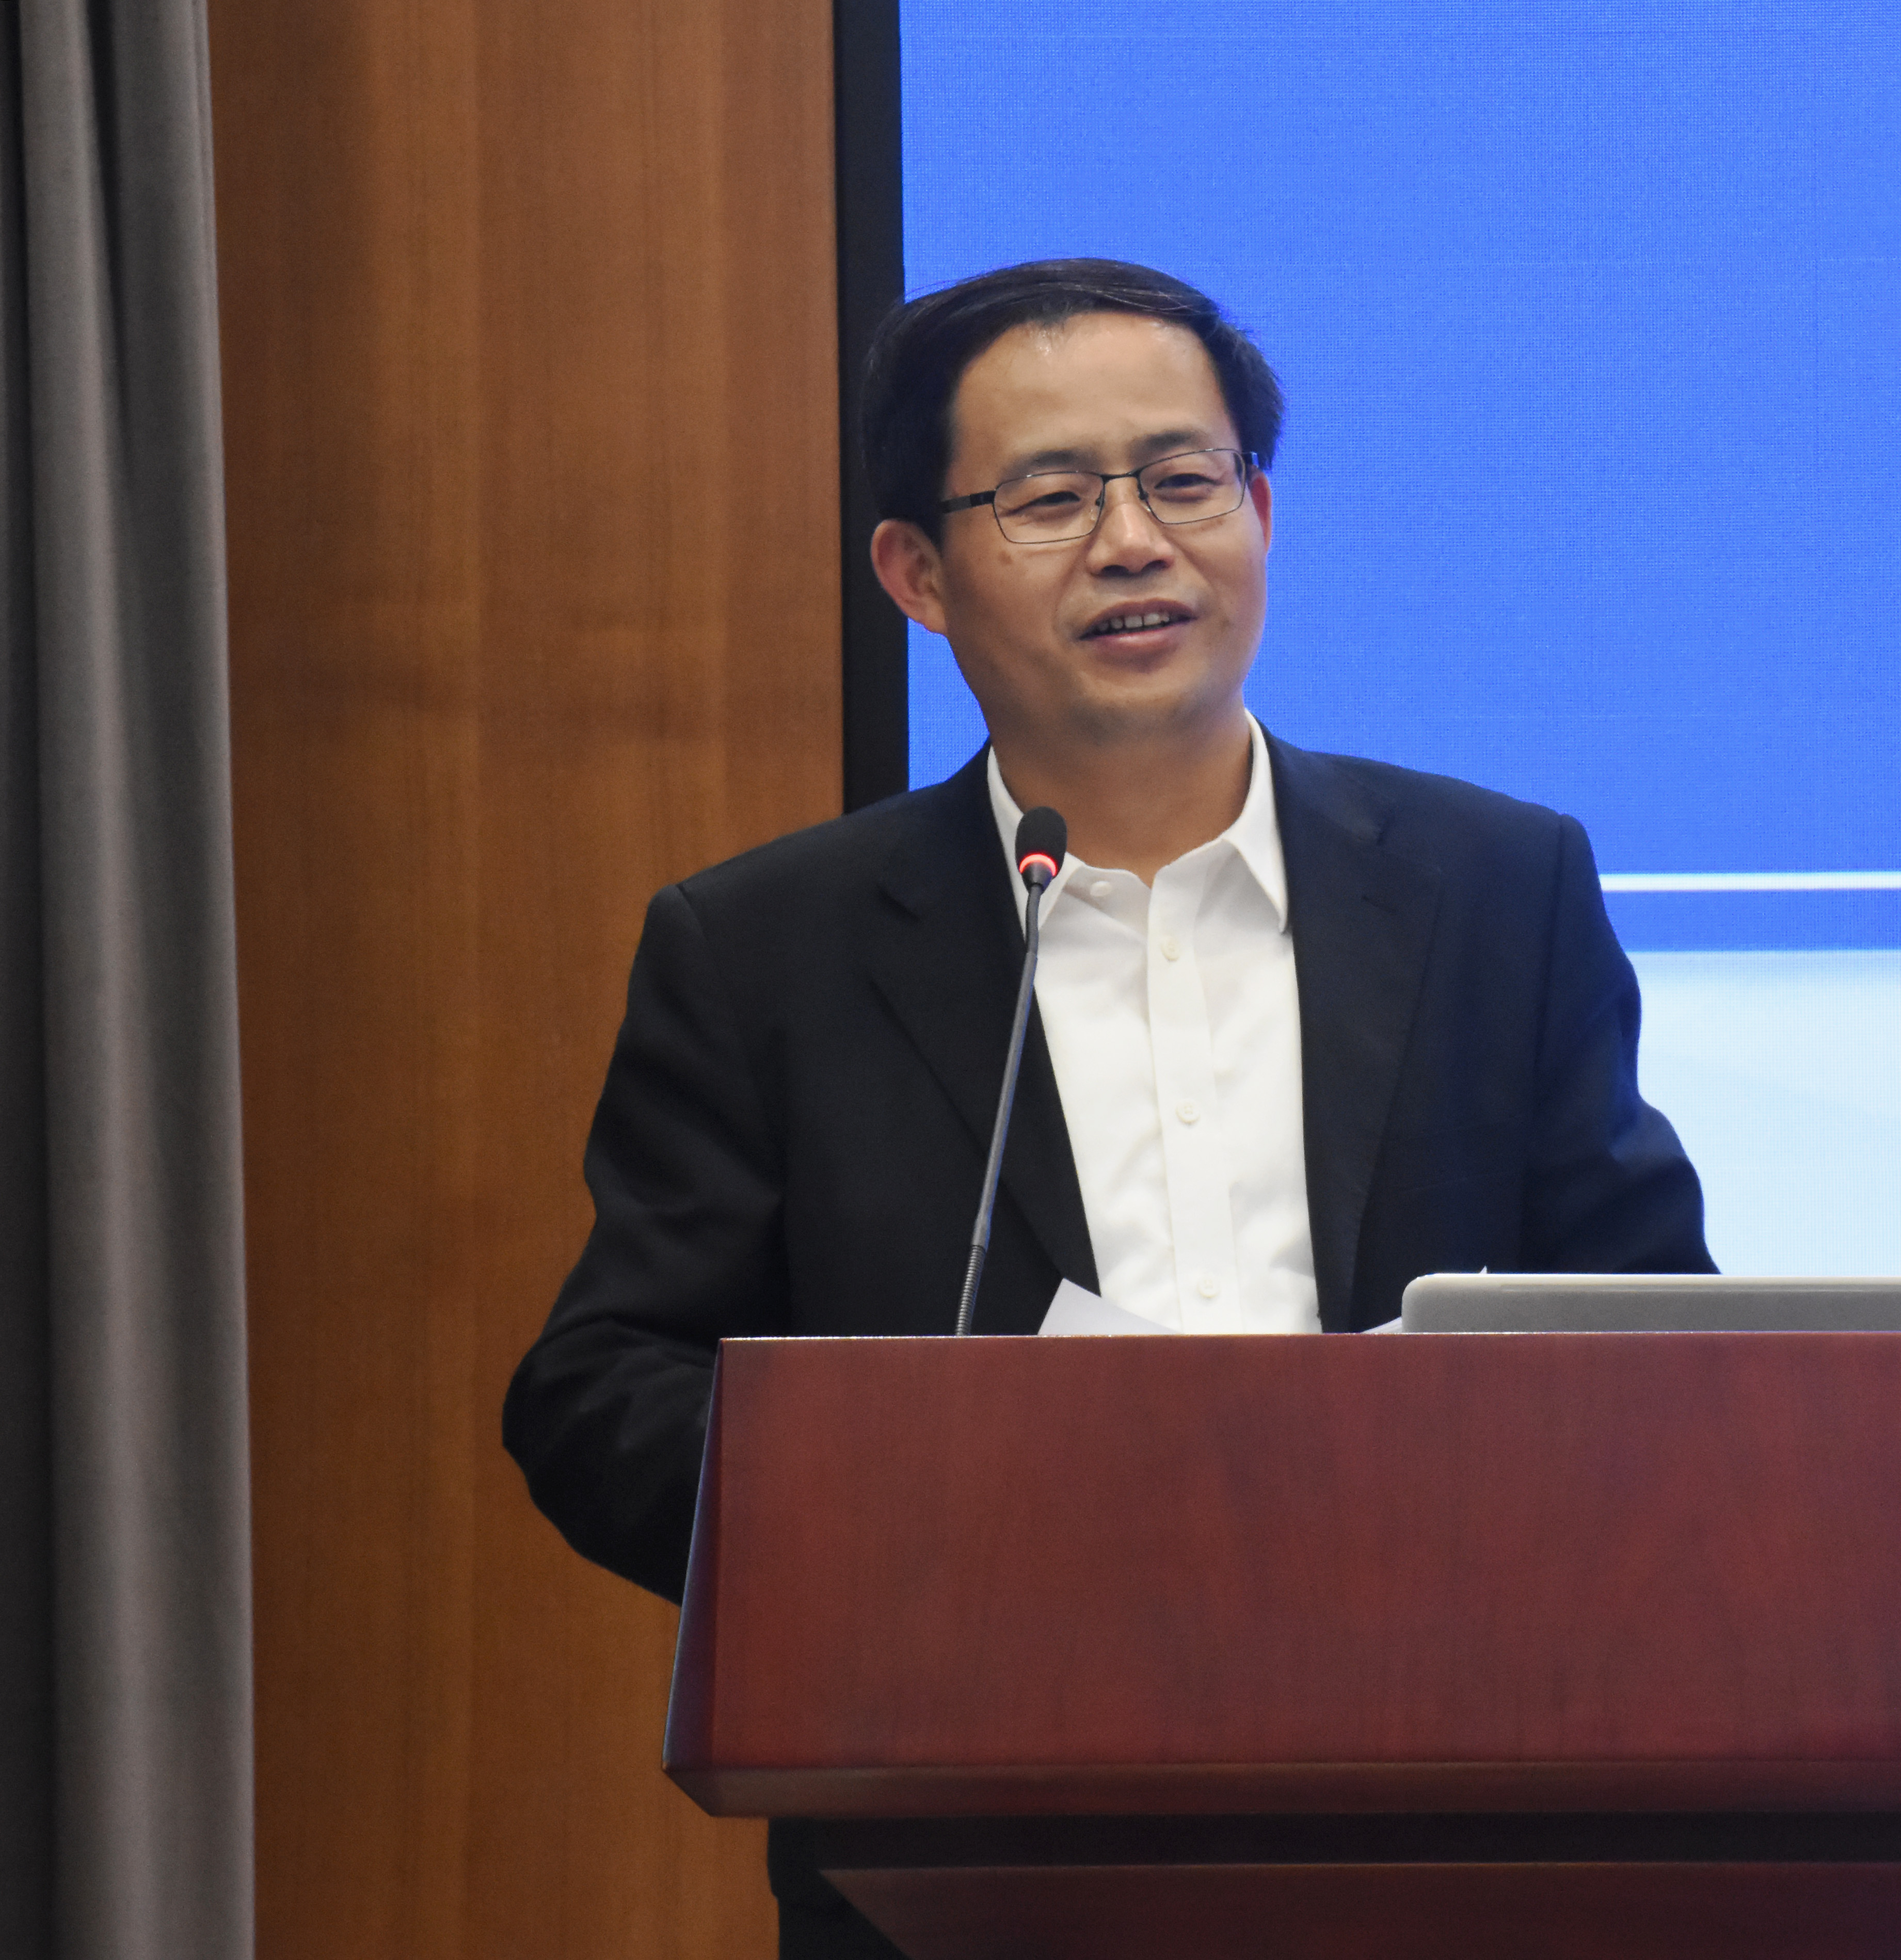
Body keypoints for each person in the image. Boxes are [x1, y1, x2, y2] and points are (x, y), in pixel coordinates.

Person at [500, 259, 1713, 1957]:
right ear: (917, 573)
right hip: (963, 1849)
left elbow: (1659, 1337)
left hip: (1444, 1827)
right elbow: (600, 1393)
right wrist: (925, 1502)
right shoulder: (769, 948)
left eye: (1182, 480)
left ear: (1259, 515)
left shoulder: (1496, 888)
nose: (1134, 542)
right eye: (1052, 498)